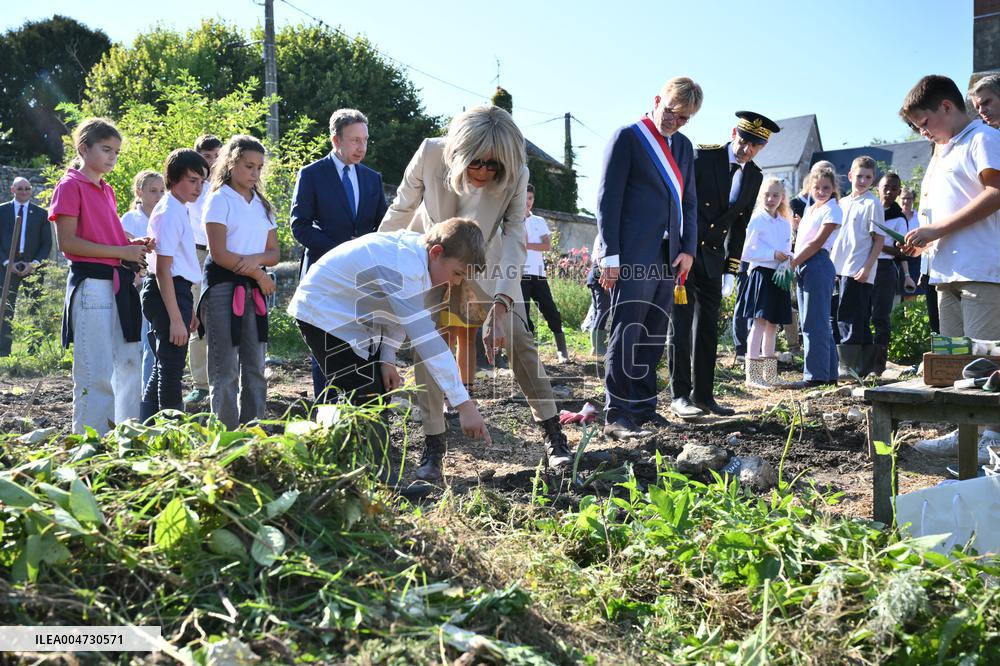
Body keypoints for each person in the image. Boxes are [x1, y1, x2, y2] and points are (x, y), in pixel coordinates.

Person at [379, 104, 572, 478]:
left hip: (490, 264)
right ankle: (433, 443)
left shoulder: (517, 171)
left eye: (493, 166)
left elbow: (515, 235)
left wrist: (501, 305)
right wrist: (375, 264)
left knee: (519, 339)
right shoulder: (430, 152)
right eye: (477, 163)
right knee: (428, 346)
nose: (484, 172)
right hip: (431, 258)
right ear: (458, 152)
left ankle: (553, 434)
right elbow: (400, 211)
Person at [288, 218, 492, 482]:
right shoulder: (404, 265)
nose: (455, 283)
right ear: (437, 253)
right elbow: (427, 340)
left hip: (353, 320)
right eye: (457, 273)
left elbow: (395, 314)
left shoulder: (418, 261)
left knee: (376, 393)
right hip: (324, 313)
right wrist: (464, 404)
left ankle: (348, 469)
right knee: (362, 394)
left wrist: (387, 359)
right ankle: (372, 477)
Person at [900, 75, 1000, 462]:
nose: (922, 132)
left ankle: (993, 436)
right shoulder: (944, 150)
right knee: (958, 363)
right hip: (946, 272)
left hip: (980, 269)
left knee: (985, 358)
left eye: (924, 123)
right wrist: (923, 237)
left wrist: (938, 228)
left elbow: (995, 193)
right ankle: (965, 434)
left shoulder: (982, 138)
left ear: (945, 106)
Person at [597, 77, 700, 438]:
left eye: (684, 118)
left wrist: (689, 248)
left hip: (669, 255)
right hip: (631, 253)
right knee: (628, 330)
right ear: (658, 100)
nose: (675, 122)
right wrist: (609, 253)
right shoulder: (628, 136)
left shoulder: (685, 147)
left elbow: (688, 202)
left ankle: (643, 407)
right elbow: (608, 200)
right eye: (672, 112)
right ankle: (617, 411)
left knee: (655, 332)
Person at [668, 110, 778, 418]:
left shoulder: (754, 176)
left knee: (708, 329)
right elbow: (682, 203)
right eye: (744, 140)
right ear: (734, 133)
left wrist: (732, 269)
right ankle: (679, 395)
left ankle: (704, 395)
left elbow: (740, 226)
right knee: (681, 324)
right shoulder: (705, 158)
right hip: (686, 253)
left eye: (754, 145)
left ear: (762, 148)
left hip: (714, 260)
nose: (746, 148)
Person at [49, 118, 152, 434]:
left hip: (117, 286)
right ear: (84, 148)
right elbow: (68, 243)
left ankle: (125, 438)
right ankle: (92, 445)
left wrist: (131, 244)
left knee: (128, 365)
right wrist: (122, 253)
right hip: (91, 287)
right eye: (106, 149)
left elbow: (107, 237)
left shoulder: (106, 189)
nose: (112, 157)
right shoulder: (69, 186)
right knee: (96, 372)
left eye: (117, 152)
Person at [291, 109, 389, 400]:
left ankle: (364, 417)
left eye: (365, 140)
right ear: (336, 139)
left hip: (363, 279)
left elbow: (383, 225)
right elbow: (299, 225)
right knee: (326, 346)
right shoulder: (311, 174)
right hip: (325, 275)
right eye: (355, 140)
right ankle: (327, 416)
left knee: (364, 346)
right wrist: (341, 252)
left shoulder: (372, 179)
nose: (361, 147)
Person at [200, 135, 280, 428]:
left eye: (259, 167)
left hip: (253, 293)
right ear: (231, 163)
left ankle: (254, 433)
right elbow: (219, 253)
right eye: (249, 166)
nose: (255, 173)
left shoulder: (263, 205)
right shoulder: (219, 200)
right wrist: (256, 271)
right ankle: (226, 436)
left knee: (256, 366)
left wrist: (255, 262)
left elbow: (274, 253)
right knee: (226, 368)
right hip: (223, 289)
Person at [140, 149, 209, 419]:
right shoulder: (169, 210)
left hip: (177, 292)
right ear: (173, 178)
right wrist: (176, 318)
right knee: (171, 369)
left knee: (163, 366)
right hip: (165, 291)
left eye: (202, 181)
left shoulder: (180, 208)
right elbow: (163, 269)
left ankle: (147, 427)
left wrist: (186, 310)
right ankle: (169, 432)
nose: (198, 187)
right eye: (192, 180)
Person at [829, 156, 886, 378]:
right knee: (840, 315)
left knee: (852, 318)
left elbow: (878, 240)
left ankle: (849, 368)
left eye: (868, 177)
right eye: (859, 176)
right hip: (838, 267)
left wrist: (867, 267)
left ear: (873, 180)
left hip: (858, 268)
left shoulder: (872, 204)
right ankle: (860, 367)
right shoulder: (842, 203)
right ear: (850, 176)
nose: (862, 180)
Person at [788, 167, 842, 387]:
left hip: (817, 262)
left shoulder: (833, 209)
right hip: (804, 264)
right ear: (809, 188)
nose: (821, 191)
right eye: (817, 187)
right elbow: (802, 239)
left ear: (833, 189)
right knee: (814, 321)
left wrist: (793, 263)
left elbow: (817, 242)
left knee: (814, 322)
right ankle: (828, 375)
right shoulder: (811, 209)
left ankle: (815, 376)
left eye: (826, 188)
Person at [739, 178, 793, 388]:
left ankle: (770, 375)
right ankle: (752, 376)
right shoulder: (757, 220)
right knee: (759, 323)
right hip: (761, 274)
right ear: (760, 196)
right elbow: (745, 252)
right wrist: (772, 253)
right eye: (767, 195)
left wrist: (788, 257)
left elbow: (786, 247)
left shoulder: (784, 222)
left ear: (782, 198)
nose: (771, 199)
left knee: (773, 325)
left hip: (779, 276)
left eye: (775, 195)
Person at [183, 134, 222, 408]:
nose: (213, 161)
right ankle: (200, 384)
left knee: (225, 317)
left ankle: (226, 377)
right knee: (196, 317)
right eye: (207, 157)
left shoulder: (227, 186)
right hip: (196, 253)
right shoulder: (190, 187)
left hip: (222, 254)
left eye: (216, 155)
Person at [120, 169, 165, 390]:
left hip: (159, 284)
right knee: (137, 342)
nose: (158, 196)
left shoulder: (165, 216)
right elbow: (122, 253)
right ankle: (134, 392)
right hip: (134, 287)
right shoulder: (129, 219)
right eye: (153, 191)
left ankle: (149, 392)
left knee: (153, 341)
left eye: (162, 191)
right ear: (140, 192)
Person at [0, 177, 52, 356]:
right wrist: (7, 263)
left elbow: (46, 244)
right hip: (7, 266)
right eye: (20, 188)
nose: (24, 191)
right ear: (13, 190)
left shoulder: (40, 213)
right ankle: (3, 351)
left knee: (34, 308)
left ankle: (34, 350)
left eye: (27, 188)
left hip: (32, 268)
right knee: (6, 308)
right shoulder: (2, 211)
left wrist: (34, 264)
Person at [520, 183, 569, 363]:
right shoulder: (512, 220)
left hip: (538, 274)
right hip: (519, 275)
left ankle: (562, 350)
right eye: (524, 199)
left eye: (530, 199)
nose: (527, 202)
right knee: (523, 315)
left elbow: (546, 245)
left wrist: (526, 246)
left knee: (550, 310)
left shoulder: (539, 221)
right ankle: (529, 355)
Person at [870, 172, 907, 376]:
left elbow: (901, 251)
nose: (889, 192)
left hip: (884, 269)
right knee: (861, 314)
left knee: (880, 317)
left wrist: (879, 245)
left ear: (899, 192)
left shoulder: (899, 217)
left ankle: (878, 365)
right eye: (886, 187)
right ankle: (861, 362)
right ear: (878, 188)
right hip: (865, 265)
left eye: (894, 189)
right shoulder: (871, 208)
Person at [585, 233, 610, 356]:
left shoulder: (601, 234)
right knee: (602, 310)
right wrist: (605, 277)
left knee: (598, 311)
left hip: (596, 273)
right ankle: (597, 346)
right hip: (600, 273)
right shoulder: (604, 234)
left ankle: (596, 347)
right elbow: (600, 257)